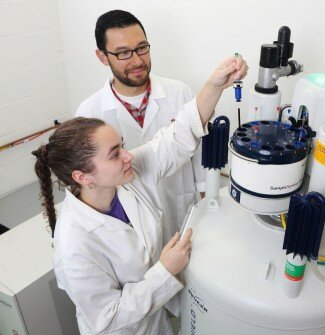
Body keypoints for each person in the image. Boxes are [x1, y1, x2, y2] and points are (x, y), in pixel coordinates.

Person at [33, 55, 248, 335]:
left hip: (156, 320)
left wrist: (215, 84)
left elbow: (175, 138)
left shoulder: (125, 179)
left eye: (121, 146)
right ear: (82, 177)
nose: (127, 155)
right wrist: (165, 271)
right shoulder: (74, 245)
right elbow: (107, 319)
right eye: (115, 154)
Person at [76, 10, 205, 243]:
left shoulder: (180, 93)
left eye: (142, 48)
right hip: (131, 227)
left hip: (182, 209)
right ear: (103, 57)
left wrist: (207, 208)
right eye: (123, 53)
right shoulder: (89, 113)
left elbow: (201, 163)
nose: (137, 60)